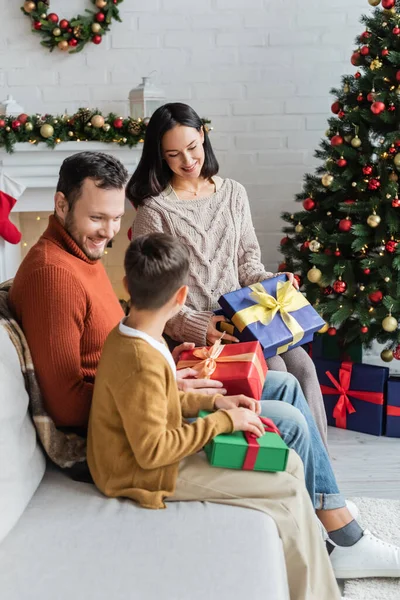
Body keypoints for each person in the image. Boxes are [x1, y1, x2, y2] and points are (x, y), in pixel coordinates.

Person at [88, 233, 400, 588]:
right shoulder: (140, 356)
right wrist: (224, 421)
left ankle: (331, 546)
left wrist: (214, 402)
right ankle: (326, 575)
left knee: (294, 464)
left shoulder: (135, 333)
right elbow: (152, 450)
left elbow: (159, 399)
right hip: (142, 473)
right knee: (286, 488)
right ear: (181, 296)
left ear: (127, 284)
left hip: (151, 452)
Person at [127, 102, 328, 448]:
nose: (187, 161)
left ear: (203, 136)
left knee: (305, 369)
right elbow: (152, 296)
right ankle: (286, 473)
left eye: (192, 148)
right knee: (277, 370)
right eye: (174, 154)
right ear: (160, 156)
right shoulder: (155, 210)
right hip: (203, 330)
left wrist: (276, 284)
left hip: (246, 318)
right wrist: (195, 324)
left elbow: (248, 264)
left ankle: (319, 482)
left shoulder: (234, 193)